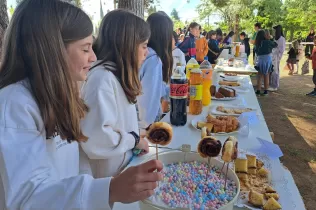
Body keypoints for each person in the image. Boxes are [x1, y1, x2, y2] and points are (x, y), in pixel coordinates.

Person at [0, 0, 163, 209]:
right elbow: (27, 199)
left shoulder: (57, 96)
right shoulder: (14, 105)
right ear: (53, 50)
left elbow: (78, 161)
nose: (94, 56)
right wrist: (109, 189)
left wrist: (100, 190)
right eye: (86, 49)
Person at [79, 10, 150, 179]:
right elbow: (96, 139)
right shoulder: (101, 79)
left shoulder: (113, 75)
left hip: (122, 170)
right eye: (144, 46)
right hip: (107, 182)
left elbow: (118, 124)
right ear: (127, 45)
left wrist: (134, 138)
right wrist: (133, 140)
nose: (146, 52)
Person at [137, 12, 173, 126]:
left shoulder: (144, 53)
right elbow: (148, 105)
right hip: (144, 128)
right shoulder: (153, 59)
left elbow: (154, 89)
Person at [254, 30, 278, 96]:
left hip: (260, 60)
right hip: (267, 60)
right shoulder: (268, 42)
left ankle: (258, 91)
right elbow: (275, 44)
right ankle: (265, 91)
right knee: (266, 75)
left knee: (259, 76)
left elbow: (255, 51)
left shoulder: (257, 43)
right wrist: (271, 38)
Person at [269, 25, 286, 91]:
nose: (274, 32)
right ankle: (272, 84)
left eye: (275, 30)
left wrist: (278, 57)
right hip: (273, 55)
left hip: (276, 57)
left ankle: (274, 86)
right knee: (272, 70)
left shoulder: (281, 39)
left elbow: (281, 49)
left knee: (275, 71)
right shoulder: (276, 38)